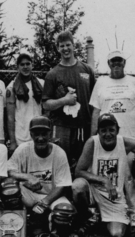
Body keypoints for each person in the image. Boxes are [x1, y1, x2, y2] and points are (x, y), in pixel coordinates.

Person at [89, 50, 135, 227]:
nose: (116, 64)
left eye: (119, 61)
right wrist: (93, 137)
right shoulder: (101, 82)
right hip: (105, 139)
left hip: (129, 138)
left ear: (124, 62)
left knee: (129, 176)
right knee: (101, 174)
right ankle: (98, 211)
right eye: (113, 61)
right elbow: (96, 111)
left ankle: (133, 212)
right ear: (108, 64)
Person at [72, 113, 135, 237]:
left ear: (117, 130)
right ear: (98, 131)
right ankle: (87, 216)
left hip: (113, 196)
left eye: (111, 130)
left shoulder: (124, 142)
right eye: (103, 130)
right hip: (94, 191)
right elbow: (79, 171)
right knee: (78, 186)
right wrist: (104, 180)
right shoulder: (92, 143)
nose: (107, 134)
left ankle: (99, 220)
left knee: (117, 233)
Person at [6, 116, 74, 237]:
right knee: (9, 188)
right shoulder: (23, 149)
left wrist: (44, 203)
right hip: (29, 195)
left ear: (50, 134)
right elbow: (9, 171)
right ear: (31, 134)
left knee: (64, 212)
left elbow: (63, 185)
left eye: (44, 134)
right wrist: (28, 177)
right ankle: (17, 227)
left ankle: (45, 225)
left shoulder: (59, 153)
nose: (40, 138)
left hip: (51, 195)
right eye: (36, 134)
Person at [42, 30, 95, 166]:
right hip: (61, 127)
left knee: (83, 165)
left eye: (68, 45)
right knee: (61, 164)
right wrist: (64, 101)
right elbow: (46, 104)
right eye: (62, 46)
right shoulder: (52, 74)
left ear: (73, 45)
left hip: (84, 126)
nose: (65, 49)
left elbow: (95, 100)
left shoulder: (86, 70)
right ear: (58, 48)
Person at [6, 53, 44, 156]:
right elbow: (10, 117)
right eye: (22, 64)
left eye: (28, 64)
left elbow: (46, 109)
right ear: (18, 67)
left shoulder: (41, 84)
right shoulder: (11, 87)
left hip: (38, 133)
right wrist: (13, 141)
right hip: (21, 136)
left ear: (32, 65)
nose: (25, 67)